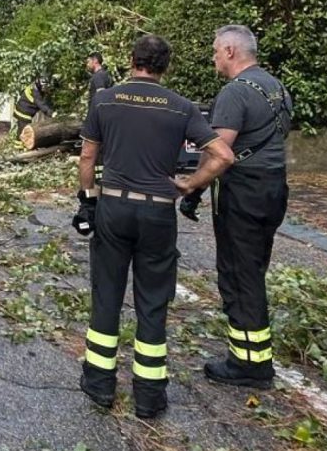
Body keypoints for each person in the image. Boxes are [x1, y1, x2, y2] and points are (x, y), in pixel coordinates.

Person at [75, 35, 234, 419]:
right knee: (152, 301)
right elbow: (223, 154)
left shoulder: (105, 99)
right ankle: (149, 396)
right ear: (166, 66)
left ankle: (99, 385)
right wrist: (191, 184)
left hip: (113, 206)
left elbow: (87, 156)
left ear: (132, 60)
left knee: (107, 294)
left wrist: (87, 201)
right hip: (158, 213)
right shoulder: (180, 107)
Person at [176, 25, 293, 389]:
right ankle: (251, 354)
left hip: (242, 192)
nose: (212, 58)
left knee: (238, 273)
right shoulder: (276, 88)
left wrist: (191, 187)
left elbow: (220, 153)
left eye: (214, 51)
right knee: (254, 267)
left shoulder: (234, 93)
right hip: (274, 187)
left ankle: (250, 364)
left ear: (230, 51)